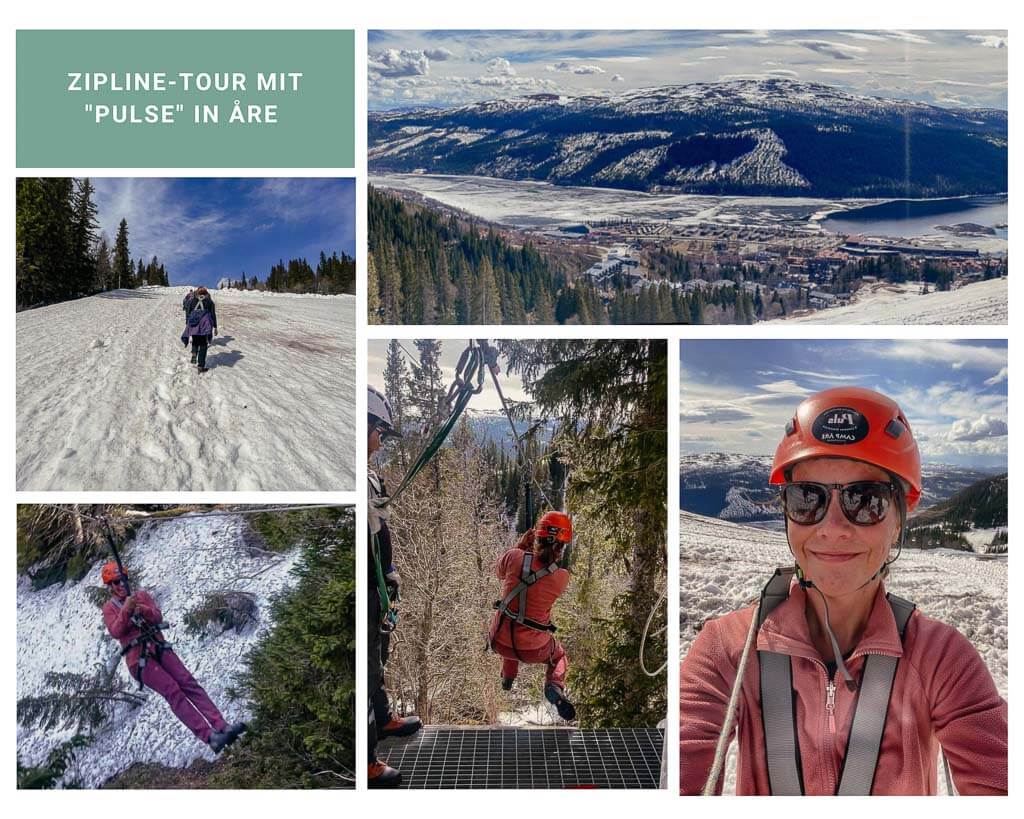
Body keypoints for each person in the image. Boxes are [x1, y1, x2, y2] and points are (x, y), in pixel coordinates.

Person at [679, 387, 1007, 796]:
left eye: (865, 500)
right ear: (786, 511)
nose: (833, 527)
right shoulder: (727, 650)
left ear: (899, 521)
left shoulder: (942, 660)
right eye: (806, 499)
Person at [100, 562, 246, 753]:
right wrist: (127, 610)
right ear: (109, 587)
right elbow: (116, 631)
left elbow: (157, 617)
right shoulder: (110, 608)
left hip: (159, 647)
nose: (119, 586)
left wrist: (141, 609)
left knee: (188, 683)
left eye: (122, 581)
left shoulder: (141, 596)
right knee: (173, 691)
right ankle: (210, 737)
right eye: (114, 583)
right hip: (139, 661)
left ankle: (221, 726)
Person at [367, 386, 422, 788]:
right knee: (367, 666)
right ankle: (367, 757)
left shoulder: (367, 476)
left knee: (378, 655)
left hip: (379, 583)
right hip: (370, 584)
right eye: (378, 432)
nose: (380, 440)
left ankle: (384, 719)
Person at [488, 510, 576, 721]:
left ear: (537, 537)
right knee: (558, 655)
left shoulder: (514, 557)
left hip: (499, 641)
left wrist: (521, 547)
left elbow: (499, 573)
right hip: (534, 649)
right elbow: (541, 574)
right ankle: (554, 685)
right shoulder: (561, 578)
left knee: (511, 620)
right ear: (561, 547)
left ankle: (508, 677)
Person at [181, 286, 218, 373]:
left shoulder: (192, 301)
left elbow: (188, 312)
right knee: (203, 345)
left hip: (194, 324)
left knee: (195, 340)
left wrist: (188, 323)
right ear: (206, 293)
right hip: (204, 325)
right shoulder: (209, 302)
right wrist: (215, 327)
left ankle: (194, 353)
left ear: (197, 293)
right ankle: (201, 366)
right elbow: (213, 314)